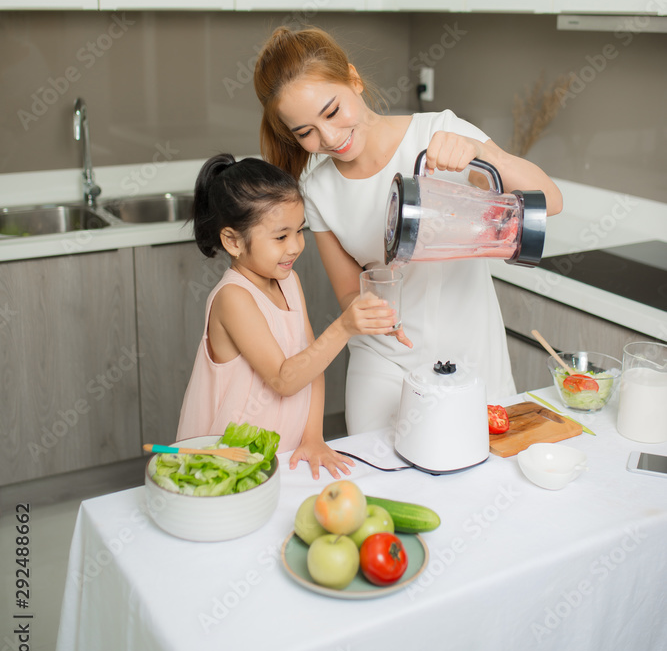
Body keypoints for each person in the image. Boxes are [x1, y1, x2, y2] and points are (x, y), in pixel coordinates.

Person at [253, 26, 563, 434]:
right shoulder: (318, 189)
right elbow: (349, 291)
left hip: (472, 350)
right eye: (305, 132)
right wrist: (375, 312)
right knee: (384, 483)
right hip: (385, 363)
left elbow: (551, 200)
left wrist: (483, 154)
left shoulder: (439, 132)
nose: (328, 137)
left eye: (332, 112)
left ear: (354, 79)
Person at [175, 153, 397, 478]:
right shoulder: (233, 298)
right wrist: (345, 326)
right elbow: (284, 379)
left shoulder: (288, 281)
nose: (295, 246)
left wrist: (313, 438)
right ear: (233, 241)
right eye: (281, 237)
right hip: (227, 460)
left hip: (283, 453)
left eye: (300, 231)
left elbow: (312, 363)